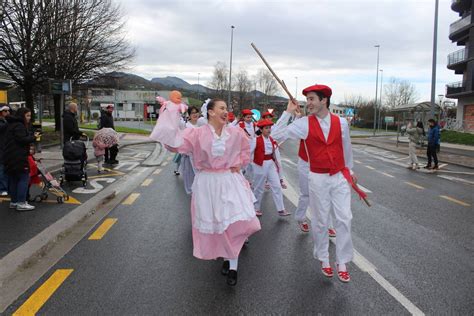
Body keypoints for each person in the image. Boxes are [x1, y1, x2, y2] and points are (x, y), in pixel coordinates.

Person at [271, 84, 366, 283]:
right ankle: (324, 258)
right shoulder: (304, 123)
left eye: (312, 99)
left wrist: (350, 169)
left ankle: (342, 261)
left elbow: (346, 147)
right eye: (307, 99)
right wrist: (287, 112)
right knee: (321, 220)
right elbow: (275, 135)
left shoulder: (341, 123)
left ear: (324, 100)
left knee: (344, 218)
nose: (309, 103)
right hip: (318, 178)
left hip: (339, 176)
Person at [161, 98, 261, 286]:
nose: (226, 111)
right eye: (222, 108)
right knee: (219, 224)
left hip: (229, 181)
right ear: (211, 112)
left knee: (233, 223)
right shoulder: (196, 134)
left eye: (226, 108)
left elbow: (247, 149)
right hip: (207, 184)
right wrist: (170, 114)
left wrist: (241, 162)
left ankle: (233, 267)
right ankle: (226, 257)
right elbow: (175, 144)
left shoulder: (235, 132)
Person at [250, 119, 290, 217]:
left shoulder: (272, 140)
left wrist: (279, 173)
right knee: (259, 187)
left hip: (270, 164)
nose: (269, 130)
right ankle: (255, 208)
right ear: (261, 129)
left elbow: (276, 155)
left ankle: (281, 209)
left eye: (269, 128)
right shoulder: (256, 140)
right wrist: (248, 165)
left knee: (276, 185)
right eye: (266, 128)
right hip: (260, 164)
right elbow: (248, 153)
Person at [4, 107, 40, 211]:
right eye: (27, 116)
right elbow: (23, 140)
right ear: (22, 115)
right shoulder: (19, 126)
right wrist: (34, 137)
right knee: (24, 178)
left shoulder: (11, 124)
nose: (29, 118)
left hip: (10, 156)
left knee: (14, 179)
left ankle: (14, 202)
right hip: (18, 157)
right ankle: (21, 202)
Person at [179, 106, 199, 194]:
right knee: (191, 177)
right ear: (189, 115)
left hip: (201, 156)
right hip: (189, 156)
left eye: (196, 112)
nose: (195, 114)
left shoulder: (202, 123)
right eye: (192, 113)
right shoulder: (185, 125)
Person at [0, 105, 10, 196]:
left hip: (6, 148)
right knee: (2, 169)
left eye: (8, 111)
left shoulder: (5, 121)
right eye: (5, 111)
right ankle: (2, 188)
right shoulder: (3, 123)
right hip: (1, 149)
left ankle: (7, 186)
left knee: (6, 168)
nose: (8, 113)